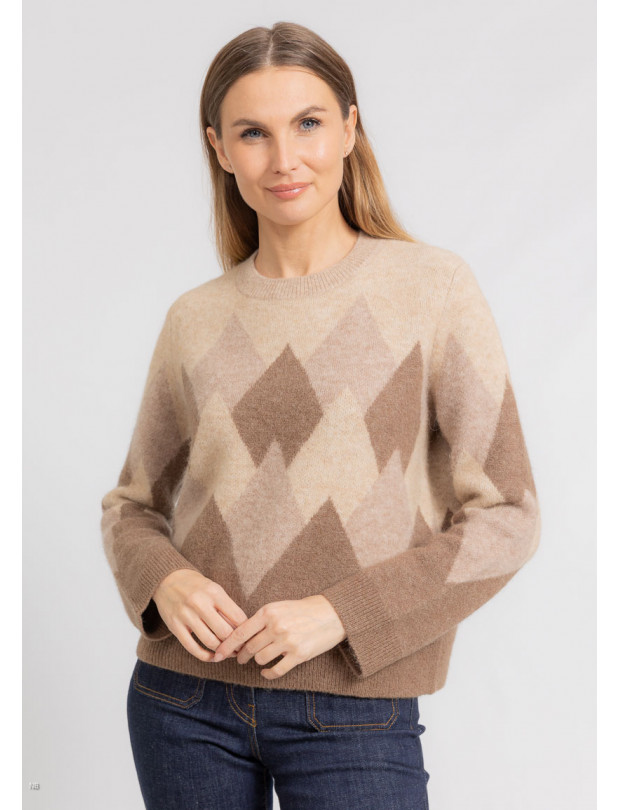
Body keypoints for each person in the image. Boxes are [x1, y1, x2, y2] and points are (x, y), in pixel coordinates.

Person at [100, 20, 541, 810]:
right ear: (219, 148)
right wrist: (164, 580)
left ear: (349, 128)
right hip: (181, 702)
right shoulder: (194, 319)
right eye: (253, 133)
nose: (284, 158)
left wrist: (343, 613)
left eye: (307, 122)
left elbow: (510, 516)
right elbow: (131, 506)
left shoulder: (433, 289)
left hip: (355, 709)